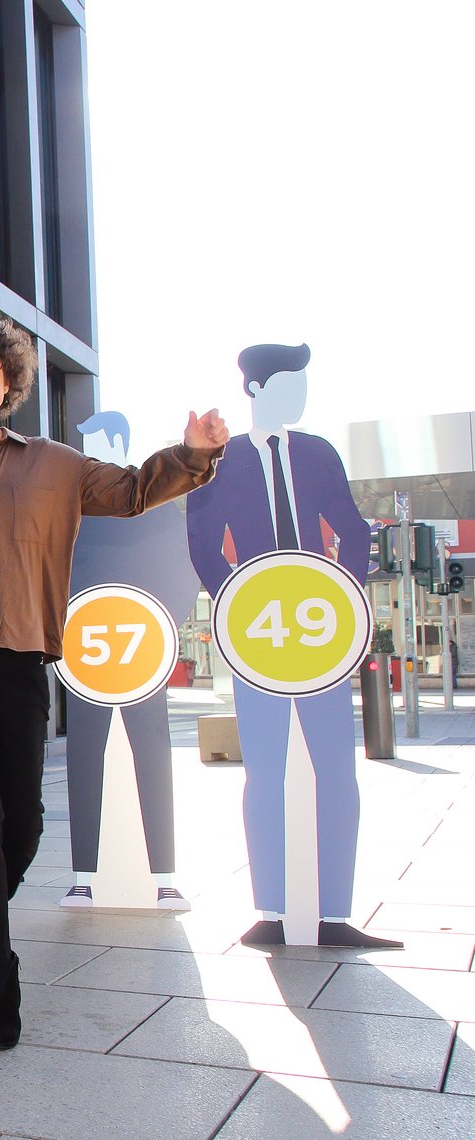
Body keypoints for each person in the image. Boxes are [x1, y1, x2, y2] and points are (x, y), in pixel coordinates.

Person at [0, 305, 227, 1050]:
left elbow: (129, 491)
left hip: (21, 654)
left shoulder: (55, 465)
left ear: (7, 379)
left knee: (22, 821)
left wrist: (191, 454)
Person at [186, 343, 401, 949]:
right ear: (255, 390)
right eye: (289, 384)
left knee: (335, 767)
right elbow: (203, 542)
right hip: (258, 634)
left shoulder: (315, 453)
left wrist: (345, 600)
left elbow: (353, 530)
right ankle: (272, 910)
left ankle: (334, 911)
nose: (300, 397)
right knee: (266, 769)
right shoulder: (220, 462)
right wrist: (235, 603)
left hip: (321, 630)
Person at [62, 411, 201, 910]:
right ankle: (84, 876)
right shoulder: (72, 509)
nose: (89, 452)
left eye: (95, 441)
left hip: (143, 650)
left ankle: (163, 875)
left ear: (117, 442)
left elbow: (186, 571)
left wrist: (161, 627)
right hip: (82, 654)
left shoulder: (157, 505)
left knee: (152, 753)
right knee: (84, 756)